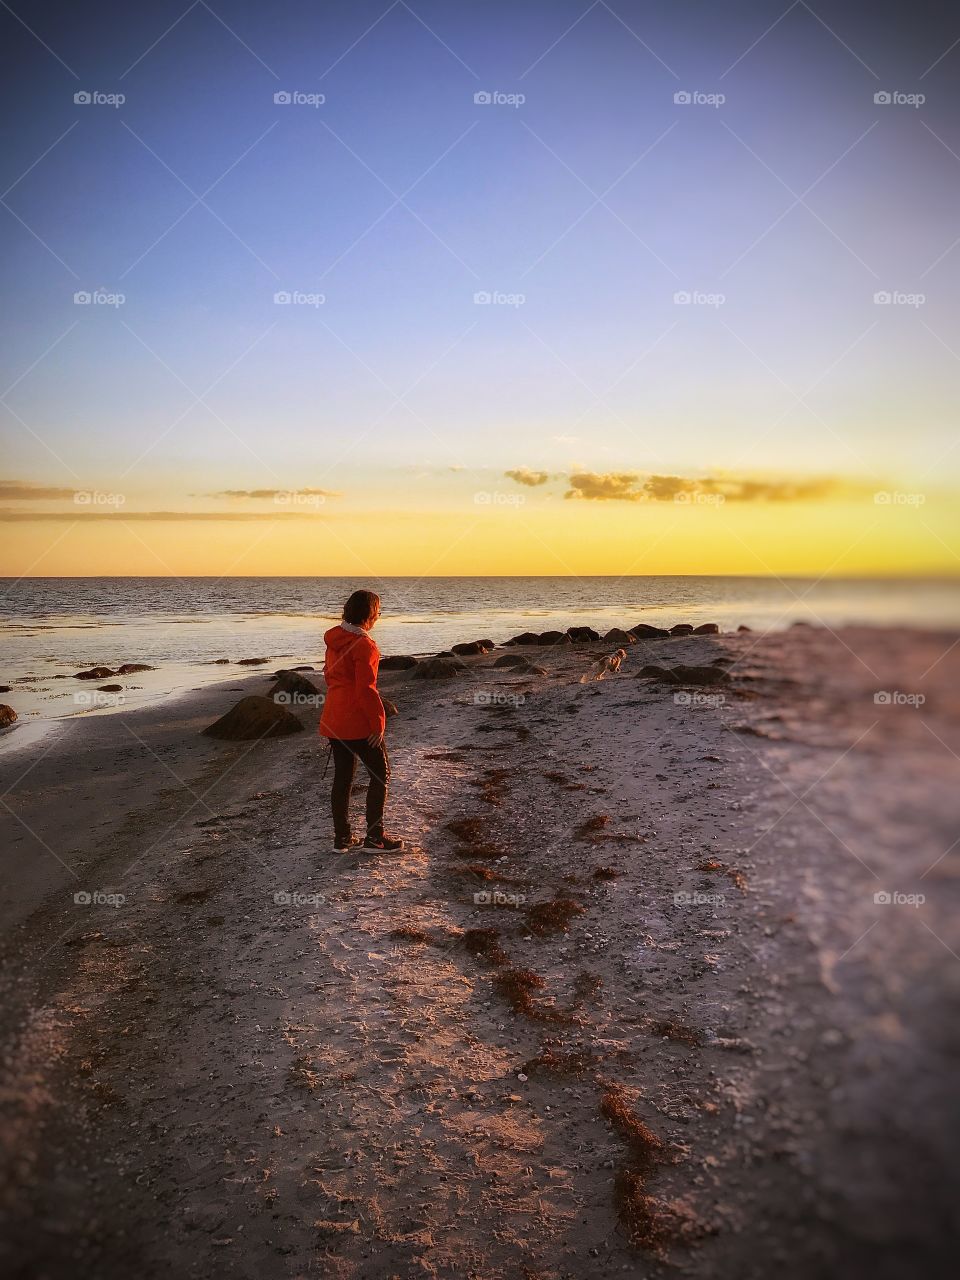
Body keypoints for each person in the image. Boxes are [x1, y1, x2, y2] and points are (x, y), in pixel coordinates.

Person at [319, 590, 403, 854]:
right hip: (356, 720)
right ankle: (375, 838)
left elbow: (330, 676)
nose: (379, 616)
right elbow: (366, 689)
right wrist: (378, 722)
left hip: (334, 717)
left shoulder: (335, 639)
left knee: (343, 778)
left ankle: (342, 839)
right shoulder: (364, 645)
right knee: (381, 774)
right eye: (378, 611)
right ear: (369, 614)